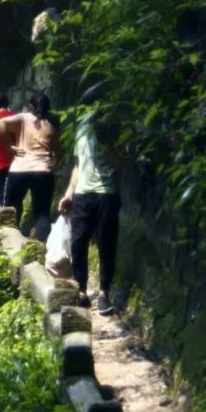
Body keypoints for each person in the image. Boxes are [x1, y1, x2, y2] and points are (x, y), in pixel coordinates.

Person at [58, 109, 120, 314]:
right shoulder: (81, 128)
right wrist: (69, 193)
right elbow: (78, 165)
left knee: (106, 242)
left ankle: (104, 292)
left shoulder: (112, 128)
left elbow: (120, 162)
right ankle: (81, 290)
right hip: (83, 194)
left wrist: (105, 142)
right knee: (78, 241)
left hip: (107, 193)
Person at [0, 91, 61, 242]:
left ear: (31, 106)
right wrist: (56, 162)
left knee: (12, 207)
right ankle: (42, 248)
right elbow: (58, 148)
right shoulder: (53, 122)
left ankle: (9, 241)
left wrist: (9, 146)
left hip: (20, 169)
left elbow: (1, 123)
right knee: (42, 213)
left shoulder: (23, 117)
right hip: (43, 171)